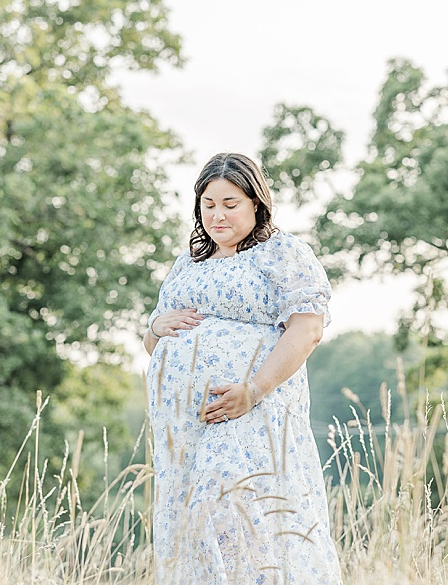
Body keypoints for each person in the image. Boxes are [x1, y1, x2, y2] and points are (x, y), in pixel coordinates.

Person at [144, 152, 342, 585]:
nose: (217, 215)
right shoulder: (187, 264)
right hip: (184, 434)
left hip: (253, 415)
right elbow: (153, 343)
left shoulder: (283, 253)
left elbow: (307, 329)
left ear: (256, 203)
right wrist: (156, 325)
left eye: (230, 204)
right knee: (195, 529)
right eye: (208, 204)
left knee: (246, 521)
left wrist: (253, 389)